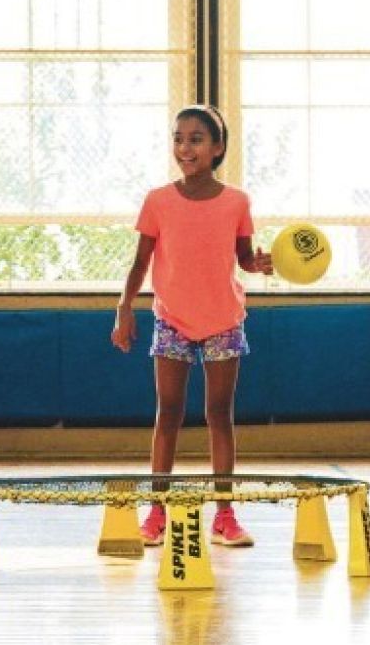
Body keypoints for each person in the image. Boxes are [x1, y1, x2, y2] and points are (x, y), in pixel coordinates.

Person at [111, 104, 273, 547]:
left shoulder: (237, 200)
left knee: (219, 415)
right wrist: (124, 309)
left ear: (217, 147)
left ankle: (224, 515)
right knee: (168, 413)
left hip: (223, 320)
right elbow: (140, 262)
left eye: (196, 139)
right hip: (172, 321)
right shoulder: (158, 200)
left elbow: (243, 257)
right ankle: (156, 512)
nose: (185, 147)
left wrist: (257, 264)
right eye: (178, 138)